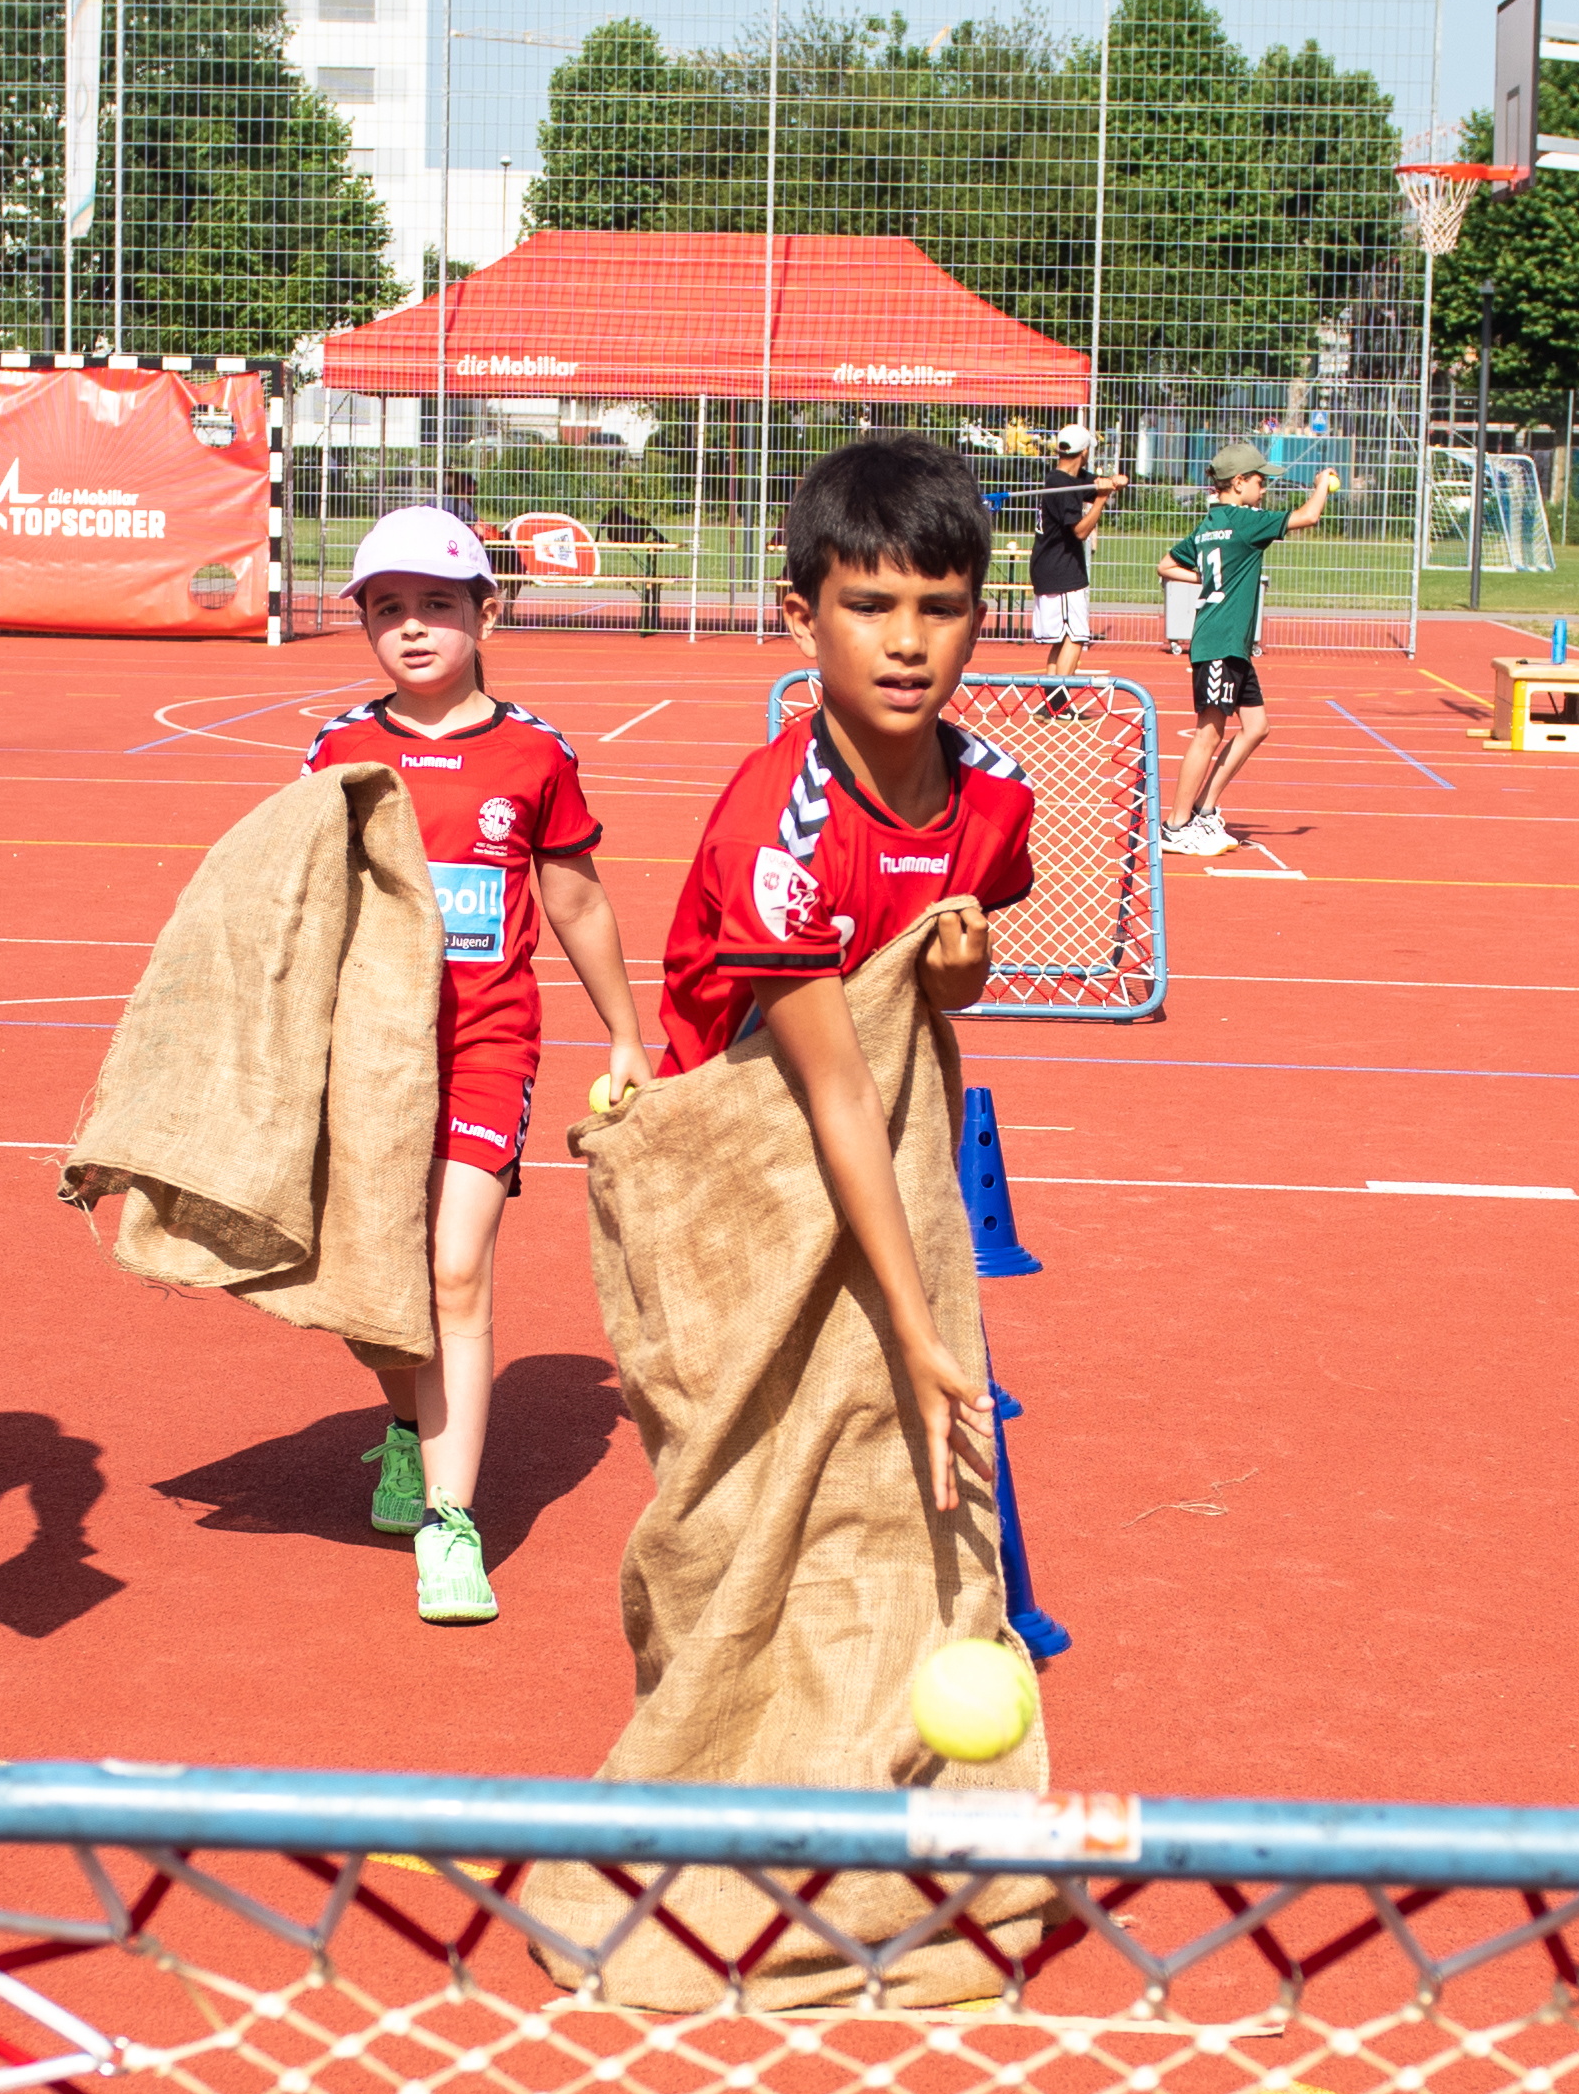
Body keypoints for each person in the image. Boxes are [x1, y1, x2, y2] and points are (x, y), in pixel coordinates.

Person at [651, 430, 1030, 1509]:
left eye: (939, 607)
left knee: (890, 1473)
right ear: (798, 616)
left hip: (877, 1136)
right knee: (757, 1476)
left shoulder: (996, 799)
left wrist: (961, 975)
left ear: (978, 622)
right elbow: (833, 1085)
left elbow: (934, 998)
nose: (906, 642)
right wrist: (917, 1328)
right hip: (740, 1150)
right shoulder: (776, 835)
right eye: (868, 605)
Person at [301, 506, 646, 1622]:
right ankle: (405, 1426)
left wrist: (628, 1034)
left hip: (486, 1045)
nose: (411, 630)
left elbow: (577, 899)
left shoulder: (534, 755)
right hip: (368, 1051)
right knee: (376, 1288)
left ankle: (451, 1526)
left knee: (454, 1270)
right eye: (386, 609)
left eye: (436, 607)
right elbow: (298, 905)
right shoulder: (338, 749)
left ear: (486, 612)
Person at [1153, 444, 1340, 855]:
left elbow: (1166, 565)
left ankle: (1204, 810)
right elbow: (1309, 516)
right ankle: (1175, 825)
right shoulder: (1244, 521)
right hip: (1219, 642)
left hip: (1230, 644)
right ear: (1238, 484)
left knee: (1256, 727)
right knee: (1210, 731)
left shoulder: (1209, 524)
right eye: (1260, 481)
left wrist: (1205, 575)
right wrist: (1323, 483)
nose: (1264, 488)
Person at [1019, 423, 1123, 705]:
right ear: (1085, 451)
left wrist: (1112, 482)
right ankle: (1058, 703)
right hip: (1061, 570)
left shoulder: (1065, 477)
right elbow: (1079, 530)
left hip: (1051, 567)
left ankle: (1051, 703)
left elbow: (1092, 483)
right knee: (1076, 636)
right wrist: (1101, 500)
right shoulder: (1062, 484)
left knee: (1062, 639)